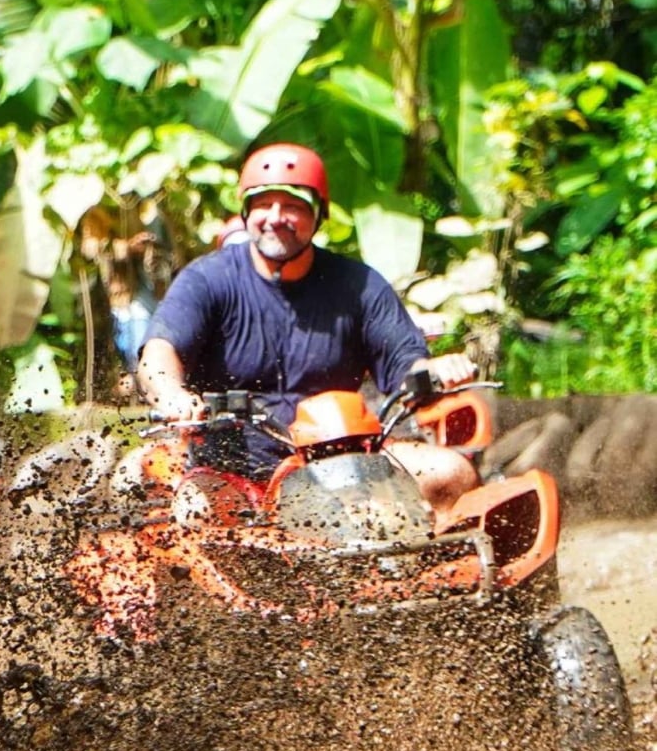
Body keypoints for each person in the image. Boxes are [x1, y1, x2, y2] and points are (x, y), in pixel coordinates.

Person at [136, 142, 478, 522]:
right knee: (196, 510)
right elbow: (159, 352)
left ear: (319, 214)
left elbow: (405, 362)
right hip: (233, 468)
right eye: (263, 204)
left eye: (293, 206)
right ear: (246, 212)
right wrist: (171, 395)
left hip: (345, 461)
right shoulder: (207, 278)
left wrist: (434, 372)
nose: (276, 217)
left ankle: (439, 558)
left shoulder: (360, 285)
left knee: (451, 473)